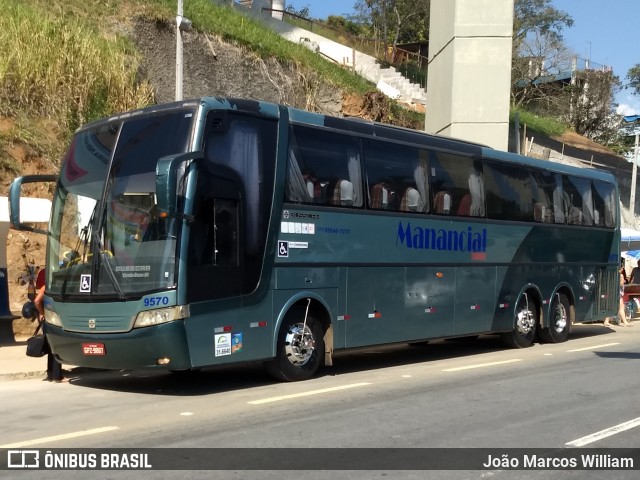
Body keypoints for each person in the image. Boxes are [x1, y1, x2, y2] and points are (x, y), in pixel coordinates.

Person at [34, 268, 65, 382]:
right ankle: (57, 376)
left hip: (47, 318)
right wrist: (42, 313)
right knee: (56, 345)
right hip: (51, 318)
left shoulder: (43, 274)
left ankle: (51, 374)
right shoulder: (47, 286)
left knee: (50, 346)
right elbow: (37, 301)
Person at [604, 261, 633, 327]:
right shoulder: (620, 275)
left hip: (612, 292)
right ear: (621, 268)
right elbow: (621, 284)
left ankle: (607, 321)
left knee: (612, 307)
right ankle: (624, 322)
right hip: (617, 293)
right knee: (621, 307)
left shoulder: (611, 274)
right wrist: (624, 281)